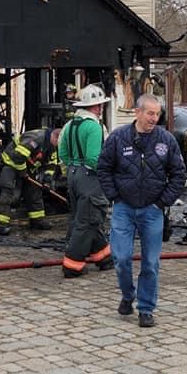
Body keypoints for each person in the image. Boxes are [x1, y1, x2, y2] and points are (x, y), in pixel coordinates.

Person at [97, 94, 186, 328]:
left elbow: (178, 175)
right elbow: (103, 169)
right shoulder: (118, 138)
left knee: (150, 263)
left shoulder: (166, 140)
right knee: (121, 258)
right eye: (150, 113)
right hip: (123, 208)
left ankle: (146, 309)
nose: (154, 118)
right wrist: (114, 197)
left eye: (157, 114)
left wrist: (162, 202)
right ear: (137, 112)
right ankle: (128, 295)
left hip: (152, 210)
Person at [58, 84, 113, 278]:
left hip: (73, 174)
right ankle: (72, 265)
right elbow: (93, 158)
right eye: (100, 105)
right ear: (97, 106)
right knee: (88, 220)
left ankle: (104, 257)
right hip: (89, 178)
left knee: (85, 216)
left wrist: (73, 168)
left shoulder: (69, 125)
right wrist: (109, 174)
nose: (101, 108)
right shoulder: (94, 127)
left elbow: (62, 152)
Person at [0, 127, 61, 235]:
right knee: (8, 194)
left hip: (28, 168)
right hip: (11, 164)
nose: (59, 146)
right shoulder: (36, 138)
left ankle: (37, 221)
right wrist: (23, 172)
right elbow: (18, 156)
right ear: (56, 138)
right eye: (60, 143)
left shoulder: (51, 146)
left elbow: (51, 164)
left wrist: (47, 181)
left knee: (35, 192)